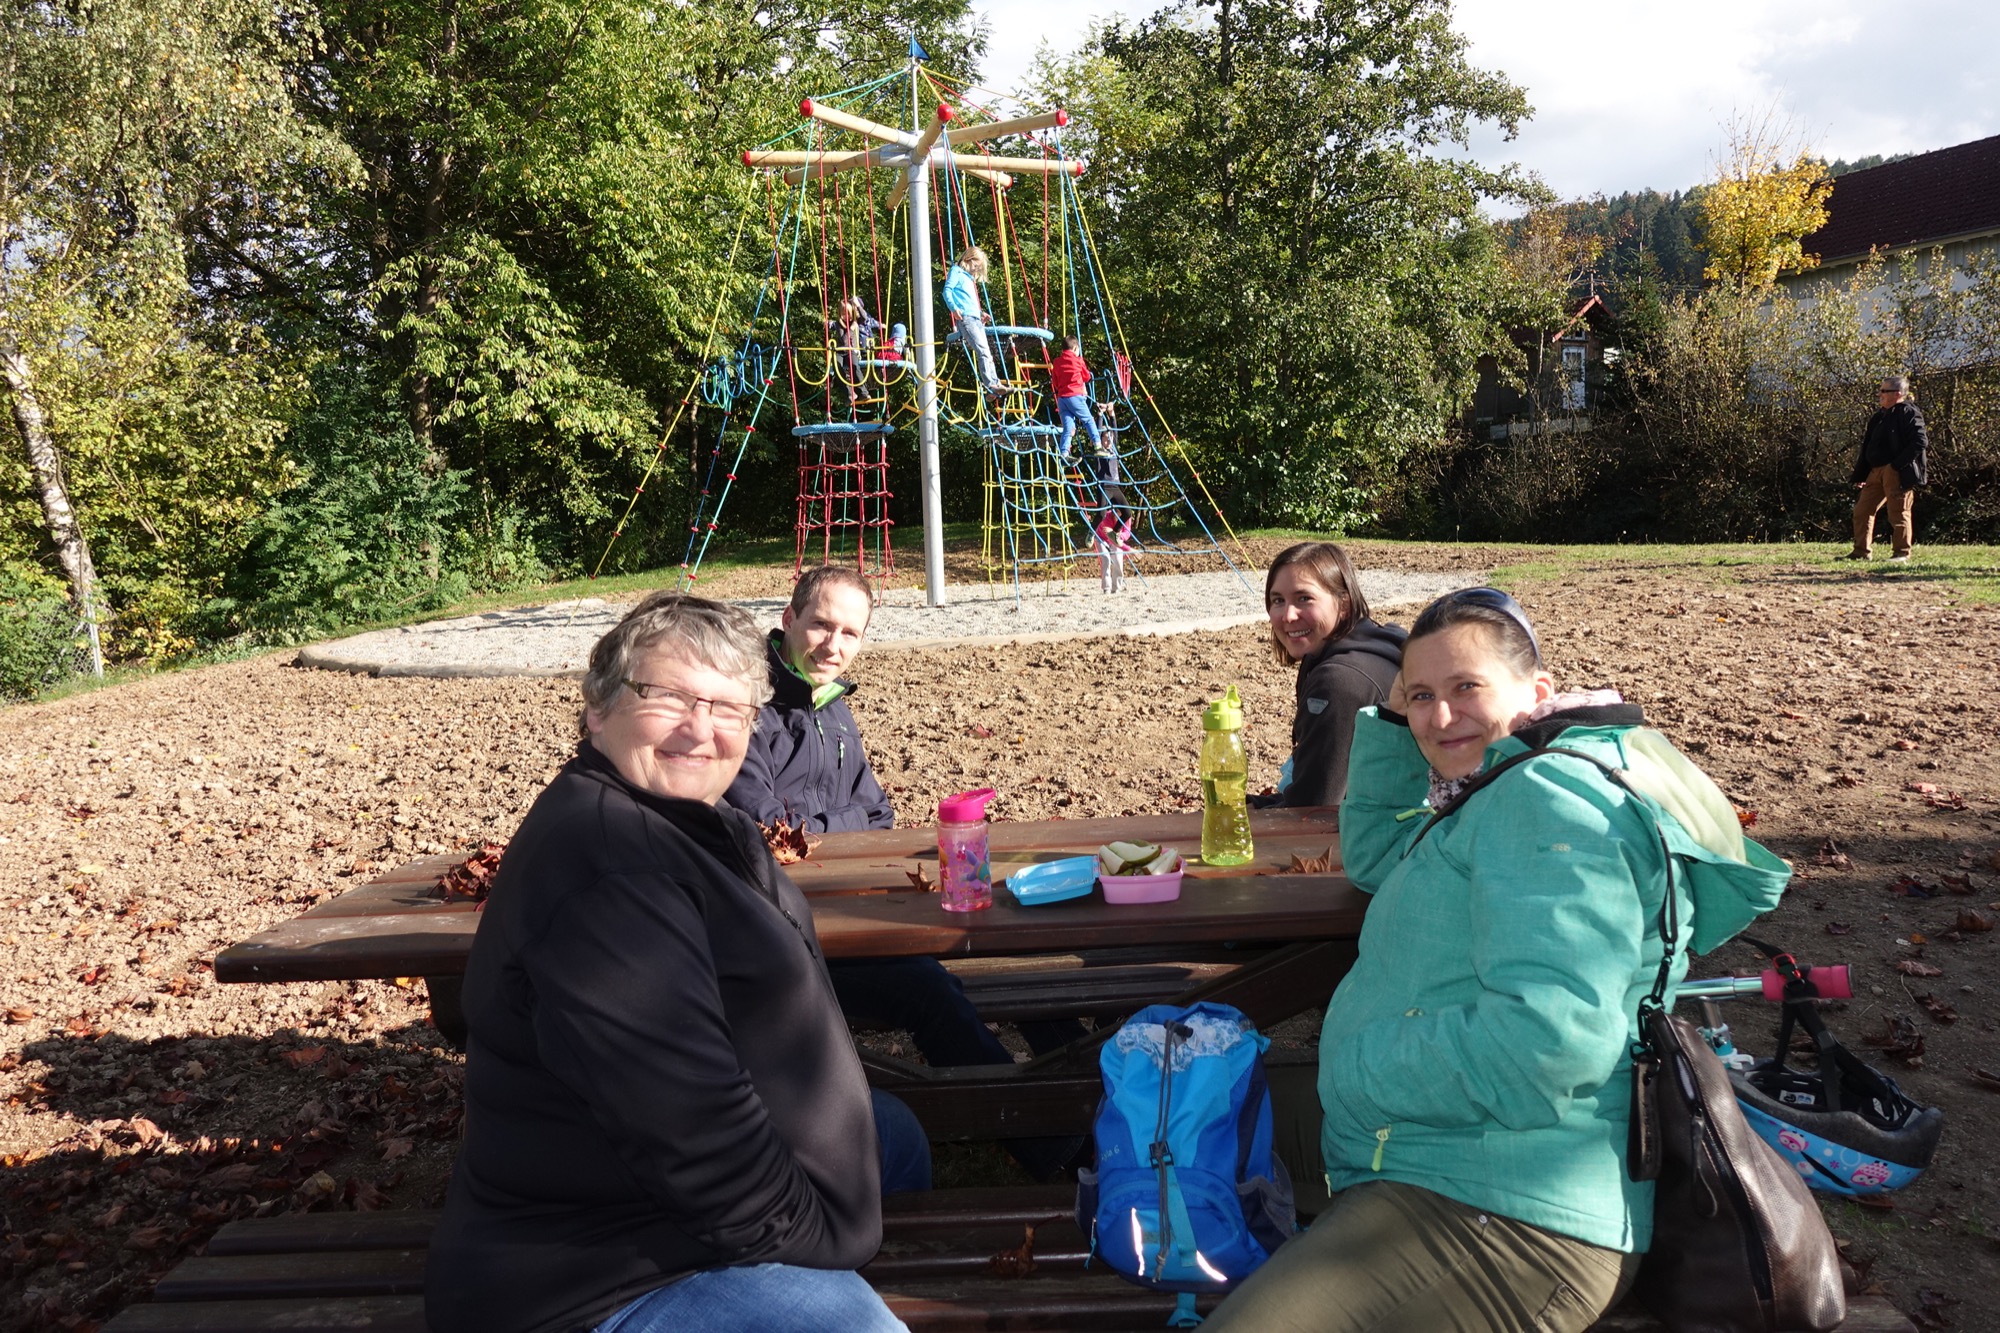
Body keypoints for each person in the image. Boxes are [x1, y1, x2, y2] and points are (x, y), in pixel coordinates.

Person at [1203, 587, 1789, 1333]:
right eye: (1421, 694)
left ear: (1537, 693)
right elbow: (1383, 854)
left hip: (1517, 1219)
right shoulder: (1490, 785)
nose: (1440, 715)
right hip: (1443, 1149)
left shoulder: (1551, 802)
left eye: (1466, 687)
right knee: (1195, 1102)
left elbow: (1550, 1042)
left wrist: (1361, 1064)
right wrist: (1393, 714)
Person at [424, 592, 923, 1333]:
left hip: (675, 1206)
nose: (701, 730)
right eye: (667, 698)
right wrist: (833, 1237)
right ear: (598, 709)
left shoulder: (695, 823)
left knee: (898, 1138)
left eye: (729, 708)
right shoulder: (609, 872)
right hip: (604, 1272)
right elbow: (700, 1139)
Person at [724, 565, 1088, 1178]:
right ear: (788, 620)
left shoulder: (833, 706)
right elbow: (775, 837)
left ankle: (1085, 1097)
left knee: (1019, 953)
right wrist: (838, 828)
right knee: (927, 990)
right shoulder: (744, 710)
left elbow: (880, 815)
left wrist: (827, 826)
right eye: (820, 625)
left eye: (850, 633)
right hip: (783, 941)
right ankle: (1048, 1145)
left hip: (854, 909)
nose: (833, 645)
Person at [1248, 542, 1405, 809]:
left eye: (1304, 598)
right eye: (1278, 600)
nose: (1288, 615)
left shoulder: (1339, 683)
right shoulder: (1376, 641)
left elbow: (1312, 811)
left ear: (1344, 604)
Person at [1846, 374, 1929, 562]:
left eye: (1884, 391)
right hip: (1875, 472)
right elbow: (1868, 446)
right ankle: (1861, 552)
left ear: (1898, 394)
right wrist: (1862, 474)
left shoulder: (1909, 412)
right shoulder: (1879, 417)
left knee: (1898, 513)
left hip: (1897, 472)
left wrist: (1896, 466)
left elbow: (1920, 442)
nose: (1880, 394)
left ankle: (1901, 554)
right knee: (1861, 511)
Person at [943, 246, 1002, 393]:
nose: (976, 270)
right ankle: (991, 384)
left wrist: (981, 313)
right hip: (966, 319)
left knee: (987, 352)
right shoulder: (956, 272)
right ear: (967, 260)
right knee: (982, 350)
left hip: (975, 318)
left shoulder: (968, 279)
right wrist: (953, 308)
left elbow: (968, 302)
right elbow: (947, 291)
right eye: (975, 266)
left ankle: (994, 384)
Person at [1050, 334, 1099, 462]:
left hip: (1062, 399)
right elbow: (1087, 376)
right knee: (1088, 420)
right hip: (1075, 396)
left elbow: (1054, 381)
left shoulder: (1057, 362)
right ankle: (1098, 444)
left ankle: (1064, 453)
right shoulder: (1078, 360)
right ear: (1076, 348)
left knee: (1068, 427)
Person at [830, 295, 882, 416]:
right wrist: (851, 329)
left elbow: (865, 317)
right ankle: (850, 393)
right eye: (843, 313)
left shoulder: (856, 321)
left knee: (854, 366)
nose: (845, 316)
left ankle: (863, 392)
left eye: (848, 313)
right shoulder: (839, 324)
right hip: (840, 350)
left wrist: (857, 305)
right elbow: (844, 341)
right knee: (838, 369)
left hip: (851, 350)